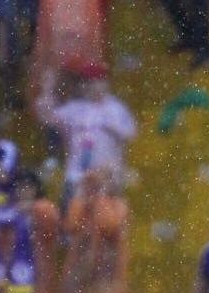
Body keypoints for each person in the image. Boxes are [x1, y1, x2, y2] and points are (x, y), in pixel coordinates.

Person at [33, 65, 135, 198]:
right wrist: (47, 89)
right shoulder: (75, 108)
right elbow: (47, 117)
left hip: (107, 179)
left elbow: (129, 135)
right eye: (90, 82)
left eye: (98, 81)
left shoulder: (116, 108)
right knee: (72, 216)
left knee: (104, 217)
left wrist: (110, 127)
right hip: (76, 177)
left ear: (106, 83)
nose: (94, 86)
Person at [61, 165, 129, 293]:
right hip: (80, 272)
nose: (93, 189)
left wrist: (98, 202)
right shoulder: (78, 205)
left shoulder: (119, 206)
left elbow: (110, 225)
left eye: (98, 184)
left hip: (106, 275)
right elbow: (71, 226)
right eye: (90, 184)